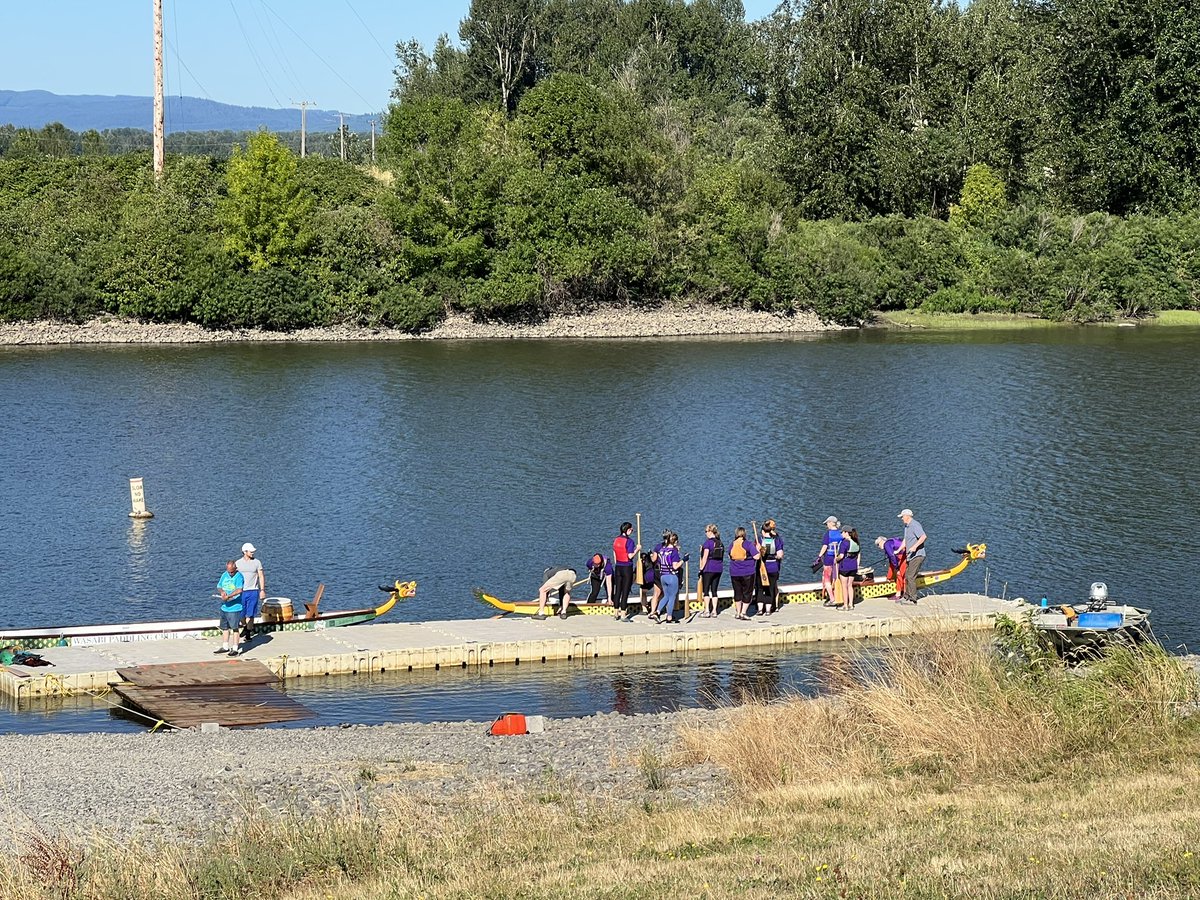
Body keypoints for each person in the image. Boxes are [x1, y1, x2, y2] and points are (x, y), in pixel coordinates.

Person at [728, 526, 760, 620]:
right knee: (747, 593)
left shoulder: (732, 544)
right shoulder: (748, 544)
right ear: (744, 534)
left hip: (734, 572)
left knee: (737, 592)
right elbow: (757, 557)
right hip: (748, 572)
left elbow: (730, 555)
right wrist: (758, 549)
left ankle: (737, 612)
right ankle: (743, 612)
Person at [651, 532, 683, 623]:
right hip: (672, 576)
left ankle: (657, 612)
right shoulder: (674, 551)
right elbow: (675, 566)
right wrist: (683, 560)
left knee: (666, 596)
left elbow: (655, 559)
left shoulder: (662, 550)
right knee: (672, 596)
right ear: (675, 541)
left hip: (663, 576)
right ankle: (669, 617)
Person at [611, 522, 639, 621]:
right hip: (627, 567)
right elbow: (630, 556)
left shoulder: (616, 540)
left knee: (618, 590)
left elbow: (614, 553)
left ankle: (615, 613)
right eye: (631, 530)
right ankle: (623, 614)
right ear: (627, 530)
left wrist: (617, 564)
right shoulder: (629, 541)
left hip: (618, 566)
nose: (632, 531)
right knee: (625, 591)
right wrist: (637, 549)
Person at [235, 542, 265, 637]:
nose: (252, 553)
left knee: (250, 613)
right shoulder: (238, 563)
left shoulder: (257, 562)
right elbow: (234, 577)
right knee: (241, 613)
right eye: (251, 551)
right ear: (245, 552)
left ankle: (248, 632)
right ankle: (246, 627)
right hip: (242, 591)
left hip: (253, 590)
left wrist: (262, 590)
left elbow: (261, 576)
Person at [898, 509, 927, 604]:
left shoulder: (915, 525)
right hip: (910, 556)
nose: (902, 519)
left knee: (911, 576)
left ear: (907, 516)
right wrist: (898, 550)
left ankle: (913, 599)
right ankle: (906, 596)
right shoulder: (907, 526)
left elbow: (923, 537)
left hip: (917, 555)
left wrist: (914, 547)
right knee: (906, 575)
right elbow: (906, 540)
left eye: (902, 517)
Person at [215, 560, 244, 657]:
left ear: (235, 569)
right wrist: (222, 592)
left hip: (234, 607)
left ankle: (235, 648)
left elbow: (239, 590)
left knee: (235, 628)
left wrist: (230, 596)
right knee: (225, 627)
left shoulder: (239, 576)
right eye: (229, 571)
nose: (230, 573)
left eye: (232, 571)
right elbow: (219, 586)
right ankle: (225, 646)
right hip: (224, 606)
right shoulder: (224, 575)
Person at [756, 519, 784, 615]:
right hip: (773, 566)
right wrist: (774, 556)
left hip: (762, 567)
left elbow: (756, 554)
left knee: (760, 588)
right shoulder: (776, 539)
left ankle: (760, 610)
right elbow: (780, 554)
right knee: (770, 588)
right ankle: (768, 610)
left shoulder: (759, 540)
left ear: (763, 531)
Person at [698, 524, 724, 618]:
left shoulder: (707, 543)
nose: (705, 534)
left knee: (706, 590)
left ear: (710, 532)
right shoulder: (720, 543)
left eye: (706, 531)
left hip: (709, 569)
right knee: (714, 590)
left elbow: (705, 558)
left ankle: (707, 611)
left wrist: (701, 569)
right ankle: (714, 611)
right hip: (719, 569)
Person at [818, 517, 842, 606]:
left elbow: (825, 546)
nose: (826, 525)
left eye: (827, 523)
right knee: (835, 577)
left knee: (826, 579)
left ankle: (832, 599)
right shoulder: (841, 533)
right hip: (838, 559)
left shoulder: (828, 534)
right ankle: (838, 596)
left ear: (831, 523)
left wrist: (819, 556)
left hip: (828, 558)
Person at [875, 535, 908, 601]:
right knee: (900, 574)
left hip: (902, 556)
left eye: (878, 545)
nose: (879, 547)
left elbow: (892, 556)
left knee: (900, 575)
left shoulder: (886, 545)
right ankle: (901, 592)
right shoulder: (890, 542)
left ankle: (900, 594)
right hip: (902, 555)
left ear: (881, 542)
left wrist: (897, 568)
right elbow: (891, 563)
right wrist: (889, 577)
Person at [836, 527, 860, 610]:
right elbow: (858, 555)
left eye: (842, 532)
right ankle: (851, 604)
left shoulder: (844, 543)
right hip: (853, 567)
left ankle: (845, 605)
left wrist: (836, 559)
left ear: (846, 532)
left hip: (845, 567)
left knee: (844, 586)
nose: (841, 534)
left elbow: (841, 556)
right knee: (850, 585)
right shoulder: (856, 542)